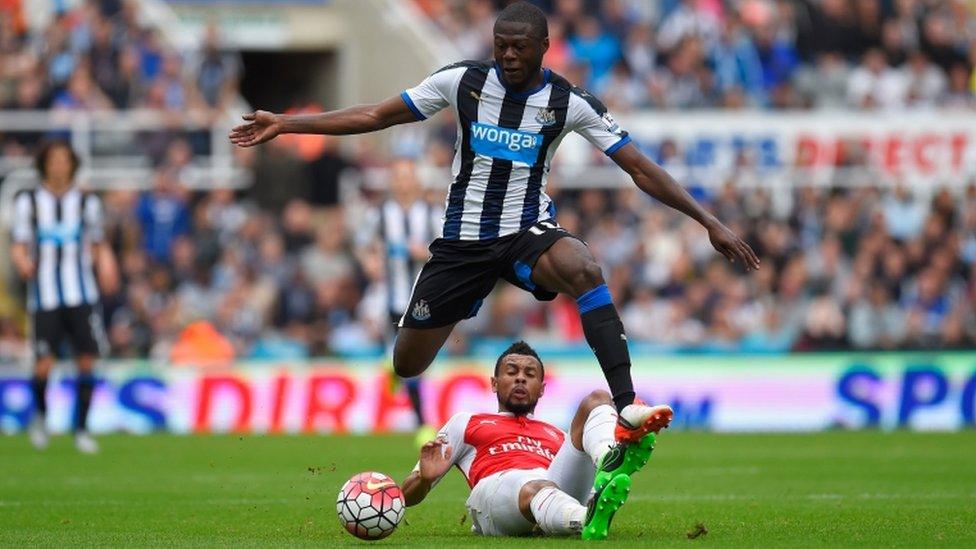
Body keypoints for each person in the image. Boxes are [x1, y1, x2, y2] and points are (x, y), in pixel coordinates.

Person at [230, 1, 759, 443]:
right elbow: (375, 116)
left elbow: (639, 167)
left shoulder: (566, 101)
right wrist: (287, 123)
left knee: (584, 269)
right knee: (407, 365)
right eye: (500, 44)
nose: (507, 54)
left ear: (543, 47)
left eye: (519, 46)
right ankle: (469, 297)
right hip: (461, 245)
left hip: (525, 233)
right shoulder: (462, 82)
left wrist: (708, 220)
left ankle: (627, 405)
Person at [401, 341, 670, 540]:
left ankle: (609, 457)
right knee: (535, 485)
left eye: (530, 375)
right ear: (494, 383)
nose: (520, 377)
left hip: (549, 491)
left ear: (541, 389)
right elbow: (406, 498)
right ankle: (583, 514)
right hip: (494, 495)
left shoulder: (556, 434)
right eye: (512, 371)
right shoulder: (466, 422)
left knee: (597, 399)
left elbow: (573, 484)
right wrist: (424, 479)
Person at [10, 140, 119, 453]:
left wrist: (107, 263)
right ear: (44, 164)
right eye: (53, 160)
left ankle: (81, 428)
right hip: (44, 294)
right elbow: (19, 242)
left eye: (64, 160)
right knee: (44, 363)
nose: (59, 165)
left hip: (81, 292)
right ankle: (41, 418)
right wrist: (20, 260)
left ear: (72, 164)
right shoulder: (28, 202)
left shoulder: (87, 203)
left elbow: (98, 243)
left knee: (87, 359)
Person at [360, 158, 442, 441]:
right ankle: (422, 425)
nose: (403, 182)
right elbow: (363, 245)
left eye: (408, 176)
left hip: (423, 298)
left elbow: (447, 250)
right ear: (393, 182)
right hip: (391, 298)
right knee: (408, 360)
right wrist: (370, 260)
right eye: (398, 177)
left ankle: (392, 368)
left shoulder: (432, 213)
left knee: (411, 360)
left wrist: (426, 253)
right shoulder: (380, 214)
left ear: (416, 181)